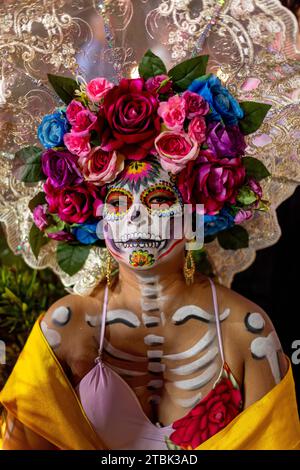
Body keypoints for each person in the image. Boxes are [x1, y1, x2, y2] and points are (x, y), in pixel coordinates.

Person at [0, 154, 299, 450]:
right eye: (118, 204)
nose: (135, 216)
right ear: (103, 225)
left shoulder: (246, 330)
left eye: (158, 201)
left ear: (193, 221)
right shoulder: (65, 326)